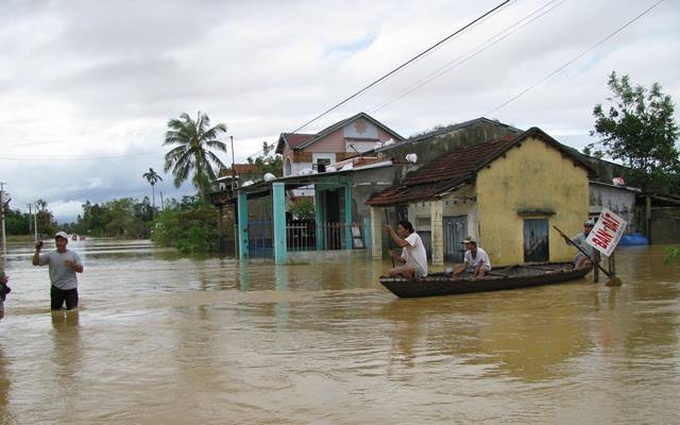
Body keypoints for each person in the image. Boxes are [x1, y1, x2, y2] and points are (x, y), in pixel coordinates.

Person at [32, 231, 84, 311]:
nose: (59, 243)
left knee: (73, 314)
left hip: (71, 288)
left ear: (66, 242)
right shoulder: (50, 255)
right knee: (55, 314)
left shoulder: (73, 255)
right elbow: (35, 263)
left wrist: (72, 265)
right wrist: (38, 250)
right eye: (58, 241)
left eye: (62, 240)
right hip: (56, 288)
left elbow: (81, 270)